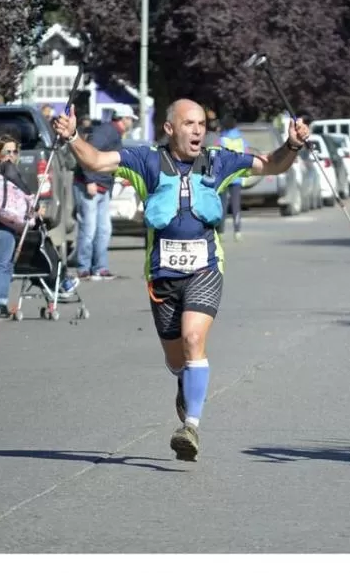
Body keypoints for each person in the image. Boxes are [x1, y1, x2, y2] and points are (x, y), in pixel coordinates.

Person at [53, 99, 310, 462]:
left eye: (202, 123)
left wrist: (293, 145)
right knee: (177, 358)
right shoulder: (144, 160)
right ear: (170, 128)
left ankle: (190, 426)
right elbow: (95, 160)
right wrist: (73, 136)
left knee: (194, 339)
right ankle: (184, 381)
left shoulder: (219, 160)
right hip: (162, 275)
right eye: (189, 123)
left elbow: (271, 165)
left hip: (205, 268)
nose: (198, 130)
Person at [0, 135, 78, 321]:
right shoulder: (6, 168)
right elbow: (20, 185)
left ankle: (1, 305)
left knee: (6, 265)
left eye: (15, 151)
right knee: (1, 264)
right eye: (8, 151)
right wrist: (34, 202)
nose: (12, 155)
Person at [73, 104, 135, 280]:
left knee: (103, 229)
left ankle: (100, 267)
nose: (131, 123)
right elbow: (87, 154)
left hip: (103, 186)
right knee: (89, 229)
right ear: (124, 119)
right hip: (90, 186)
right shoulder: (106, 132)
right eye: (131, 119)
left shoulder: (113, 133)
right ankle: (84, 268)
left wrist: (122, 175)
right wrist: (90, 180)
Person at [218, 115, 246, 241]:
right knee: (236, 205)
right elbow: (245, 156)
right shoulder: (240, 139)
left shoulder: (221, 139)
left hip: (224, 176)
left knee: (222, 205)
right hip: (237, 176)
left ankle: (221, 232)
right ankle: (237, 231)